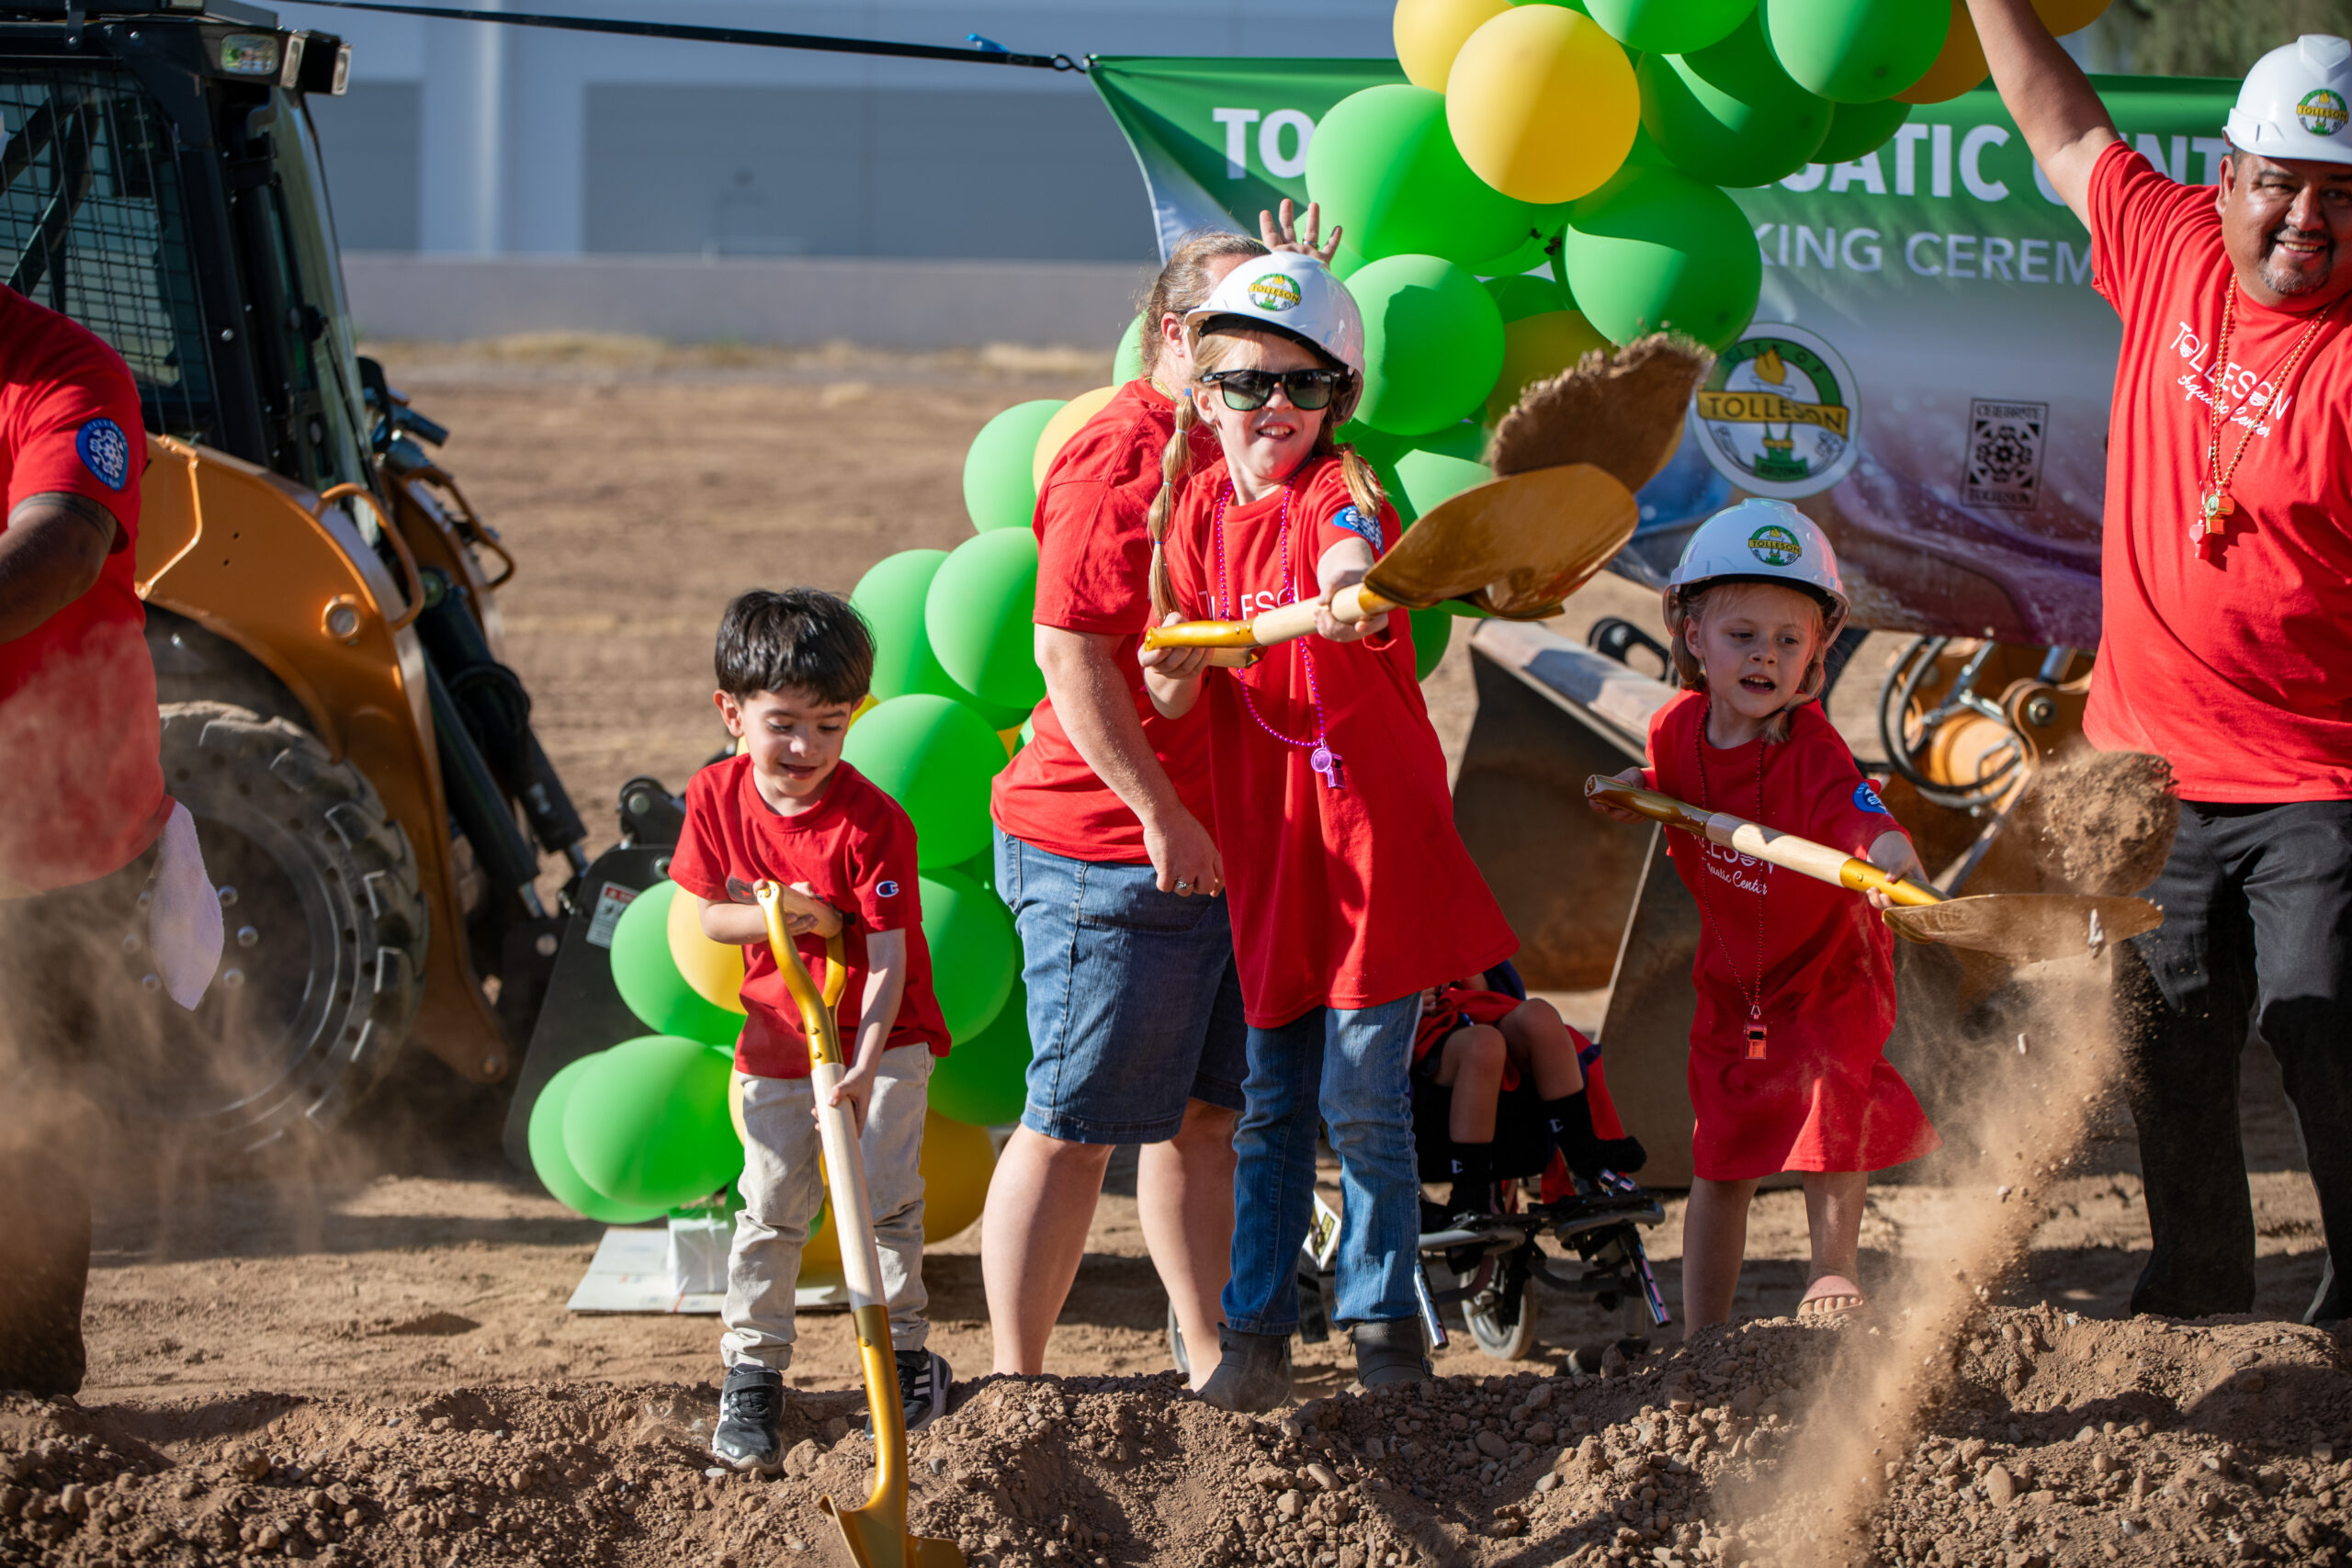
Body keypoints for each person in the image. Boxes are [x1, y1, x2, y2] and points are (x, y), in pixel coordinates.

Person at [1968, 5, 2352, 1324]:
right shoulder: (2170, 244)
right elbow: (2059, 124)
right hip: (2153, 782)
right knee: (2166, 1042)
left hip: (2319, 781)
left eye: (2343, 195)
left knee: (2322, 1022)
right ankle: (2197, 1307)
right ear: (2227, 176)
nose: (2308, 218)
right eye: (2282, 183)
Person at [1141, 252, 1519, 1408]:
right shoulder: (1192, 510)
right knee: (1269, 1105)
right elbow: (1166, 692)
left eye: (1304, 387)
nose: (1276, 409)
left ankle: (1385, 1335)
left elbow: (1354, 561)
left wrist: (1346, 593)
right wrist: (1176, 663)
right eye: (1247, 383)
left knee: (1361, 1097)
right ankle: (1254, 1337)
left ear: (1337, 400)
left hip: (1367, 835)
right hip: (1272, 847)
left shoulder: (1339, 489)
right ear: (1203, 391)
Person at [983, 205, 1336, 1386]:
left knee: (1206, 1120)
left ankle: (1209, 1366)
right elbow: (1069, 655)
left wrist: (1305, 299)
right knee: (1075, 1125)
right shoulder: (1119, 455)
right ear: (1175, 335)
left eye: (1284, 350)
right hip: (1109, 848)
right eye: (1238, 335)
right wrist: (1160, 817)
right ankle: (1015, 1387)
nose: (1266, 370)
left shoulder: (1254, 435)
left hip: (1230, 845)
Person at [1589, 501, 1939, 1334]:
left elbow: (1864, 815)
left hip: (1828, 968)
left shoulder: (1811, 749)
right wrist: (1641, 789)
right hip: (1735, 978)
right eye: (1742, 635)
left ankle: (1832, 1267)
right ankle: (1702, 1334)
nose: (1765, 656)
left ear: (1818, 650)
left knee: (1828, 1098)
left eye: (1789, 639)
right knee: (1721, 1152)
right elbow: (1675, 781)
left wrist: (1896, 861)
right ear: (1692, 636)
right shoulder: (1675, 730)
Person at [668, 589, 953, 1472]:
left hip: (881, 1035)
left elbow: (892, 957)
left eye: (830, 726)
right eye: (783, 725)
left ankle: (903, 1359)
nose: (806, 748)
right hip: (778, 1037)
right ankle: (753, 1374)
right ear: (732, 712)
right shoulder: (714, 796)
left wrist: (864, 1065)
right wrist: (787, 914)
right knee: (771, 1203)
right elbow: (710, 916)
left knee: (883, 1200)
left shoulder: (873, 821)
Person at [0, 284, 220, 1396]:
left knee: (25, 1110)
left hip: (49, 835)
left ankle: (31, 1389)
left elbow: (61, 550)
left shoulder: (67, 377)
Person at [1413, 973, 1645, 1219]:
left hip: (1468, 1009)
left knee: (1539, 1015)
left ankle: (1583, 1153)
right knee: (1483, 1044)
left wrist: (1462, 966)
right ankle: (1471, 1192)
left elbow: (1482, 988)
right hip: (1411, 1027)